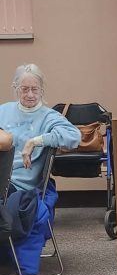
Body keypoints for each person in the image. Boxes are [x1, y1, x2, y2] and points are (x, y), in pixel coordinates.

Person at [0, 63, 81, 191]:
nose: (30, 95)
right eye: (24, 89)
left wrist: (34, 141)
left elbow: (74, 137)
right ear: (16, 88)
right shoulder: (3, 110)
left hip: (19, 186)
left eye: (35, 89)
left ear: (41, 90)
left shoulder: (49, 117)